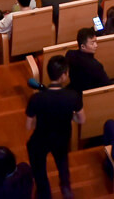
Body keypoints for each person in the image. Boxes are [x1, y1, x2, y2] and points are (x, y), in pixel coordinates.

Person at [25, 55, 84, 199]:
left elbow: (29, 126)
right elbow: (81, 119)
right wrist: (71, 116)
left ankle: (44, 193)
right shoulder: (73, 96)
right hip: (62, 137)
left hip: (41, 138)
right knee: (62, 161)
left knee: (38, 164)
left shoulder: (37, 99)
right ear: (63, 75)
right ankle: (66, 188)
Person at [65, 28, 111, 92]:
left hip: (74, 91)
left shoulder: (70, 54)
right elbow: (107, 85)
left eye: (96, 42)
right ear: (83, 46)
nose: (96, 45)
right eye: (92, 43)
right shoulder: (96, 66)